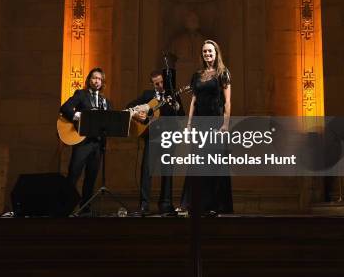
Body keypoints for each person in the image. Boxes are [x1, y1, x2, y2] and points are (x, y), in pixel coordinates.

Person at [181, 39, 233, 216]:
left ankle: (215, 205)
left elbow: (227, 101)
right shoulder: (197, 75)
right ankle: (196, 204)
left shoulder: (223, 73)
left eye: (210, 51)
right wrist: (188, 125)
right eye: (204, 52)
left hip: (216, 123)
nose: (207, 54)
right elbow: (193, 101)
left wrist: (226, 124)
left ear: (216, 53)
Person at [126, 70, 184, 217]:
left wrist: (176, 107)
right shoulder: (147, 96)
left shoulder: (172, 95)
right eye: (156, 83)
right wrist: (139, 115)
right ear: (151, 84)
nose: (159, 85)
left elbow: (182, 115)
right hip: (152, 137)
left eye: (161, 82)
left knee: (167, 171)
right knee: (146, 170)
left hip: (169, 137)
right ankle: (144, 205)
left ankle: (166, 204)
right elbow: (129, 106)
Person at [60, 67, 112, 213]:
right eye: (94, 78)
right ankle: (66, 207)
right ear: (89, 80)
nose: (97, 81)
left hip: (97, 144)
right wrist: (79, 116)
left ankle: (85, 208)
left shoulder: (105, 101)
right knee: (74, 174)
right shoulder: (81, 94)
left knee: (91, 178)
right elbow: (65, 108)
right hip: (82, 142)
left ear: (103, 83)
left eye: (100, 79)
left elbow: (109, 122)